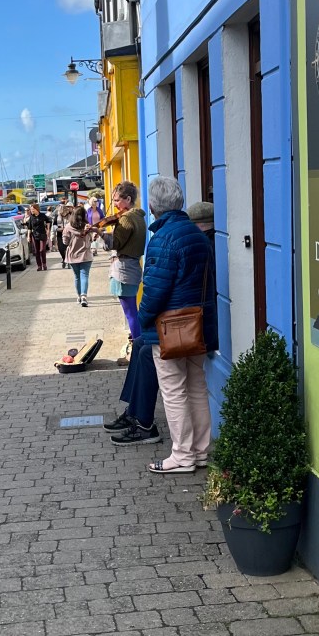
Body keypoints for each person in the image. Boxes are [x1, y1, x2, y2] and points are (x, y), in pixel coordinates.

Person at [137, 176, 217, 475]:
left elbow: (155, 290)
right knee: (197, 387)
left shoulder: (163, 238)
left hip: (170, 328)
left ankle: (182, 456)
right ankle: (200, 452)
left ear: (153, 206)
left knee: (174, 391)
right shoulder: (197, 234)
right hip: (198, 323)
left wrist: (142, 319)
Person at [97, 181, 146, 339]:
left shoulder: (126, 219)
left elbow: (114, 244)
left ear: (128, 199)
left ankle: (138, 345)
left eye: (117, 200)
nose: (115, 204)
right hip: (133, 267)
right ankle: (138, 341)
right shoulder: (138, 216)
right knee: (133, 311)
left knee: (130, 313)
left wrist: (101, 233)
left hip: (124, 269)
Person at [62, 206, 94, 305]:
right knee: (84, 275)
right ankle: (84, 296)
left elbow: (65, 242)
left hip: (72, 255)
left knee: (77, 277)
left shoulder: (68, 227)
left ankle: (79, 296)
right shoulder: (87, 227)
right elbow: (91, 239)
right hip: (86, 255)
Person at [26, 202, 50, 270]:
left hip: (42, 235)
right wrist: (28, 236)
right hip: (35, 235)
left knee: (42, 250)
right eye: (31, 209)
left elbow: (48, 221)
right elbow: (29, 228)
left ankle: (44, 264)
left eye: (32, 209)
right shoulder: (31, 217)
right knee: (36, 251)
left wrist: (48, 229)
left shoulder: (42, 215)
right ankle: (39, 266)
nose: (31, 211)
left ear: (36, 209)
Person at [54, 204, 72, 268]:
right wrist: (57, 229)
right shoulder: (57, 215)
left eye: (61, 212)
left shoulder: (70, 215)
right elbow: (54, 224)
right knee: (61, 248)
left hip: (68, 233)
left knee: (67, 248)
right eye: (59, 212)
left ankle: (69, 261)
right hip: (60, 233)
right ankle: (64, 259)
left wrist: (67, 228)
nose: (61, 213)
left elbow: (72, 223)